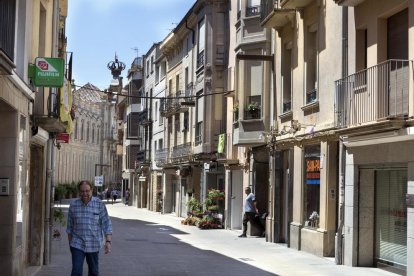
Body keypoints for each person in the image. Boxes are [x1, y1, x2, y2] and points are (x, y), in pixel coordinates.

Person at [66, 180, 113, 276]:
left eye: (87, 191)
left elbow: (107, 224)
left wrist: (108, 242)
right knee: (76, 271)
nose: (85, 194)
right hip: (77, 244)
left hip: (93, 244)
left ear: (91, 190)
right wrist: (71, 244)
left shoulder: (99, 204)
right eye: (82, 191)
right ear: (79, 191)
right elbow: (69, 227)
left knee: (94, 272)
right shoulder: (73, 205)